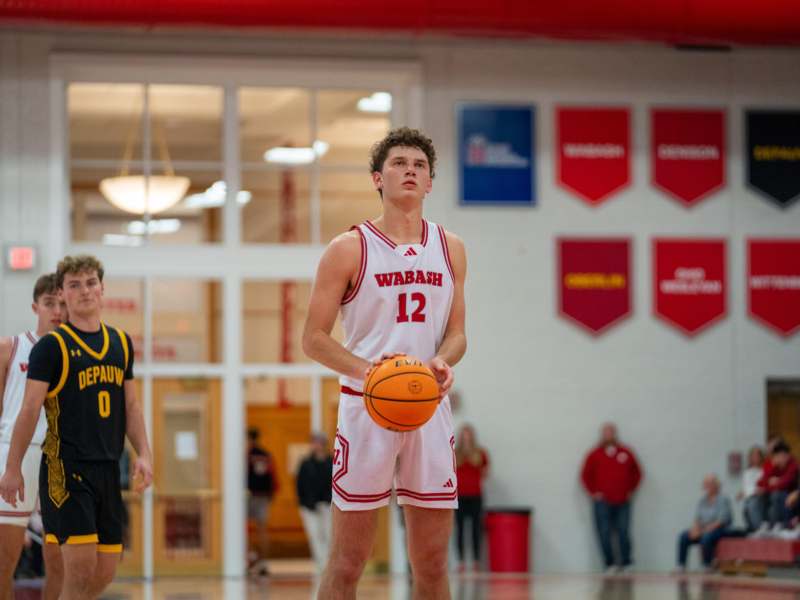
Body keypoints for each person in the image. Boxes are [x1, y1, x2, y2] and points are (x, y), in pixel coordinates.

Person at [302, 127, 467, 600]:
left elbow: (457, 333)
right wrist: (369, 372)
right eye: (399, 163)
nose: (410, 171)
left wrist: (440, 360)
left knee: (433, 562)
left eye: (419, 165)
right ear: (378, 178)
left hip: (428, 407)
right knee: (349, 561)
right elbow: (313, 339)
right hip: (366, 407)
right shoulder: (349, 247)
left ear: (430, 182)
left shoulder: (450, 247)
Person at [0, 255, 154, 600]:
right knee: (76, 566)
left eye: (90, 283)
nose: (84, 291)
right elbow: (28, 409)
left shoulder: (121, 343)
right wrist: (11, 466)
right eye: (74, 285)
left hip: (107, 468)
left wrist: (144, 452)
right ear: (62, 295)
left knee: (104, 570)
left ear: (102, 289)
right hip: (64, 467)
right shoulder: (49, 348)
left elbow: (131, 405)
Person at [0, 274, 65, 600]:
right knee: (4, 559)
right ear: (35, 307)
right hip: (15, 454)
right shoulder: (10, 348)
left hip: (60, 458)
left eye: (62, 304)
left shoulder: (75, 353)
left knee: (60, 561)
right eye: (49, 303)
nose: (56, 310)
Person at [580, 423, 642, 573]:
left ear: (615, 434)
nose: (608, 435)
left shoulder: (626, 452)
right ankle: (610, 564)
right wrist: (594, 492)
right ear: (602, 435)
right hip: (602, 502)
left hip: (623, 501)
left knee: (623, 531)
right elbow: (585, 476)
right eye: (605, 433)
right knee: (604, 532)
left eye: (611, 432)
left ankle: (626, 563)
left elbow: (637, 473)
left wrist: (630, 490)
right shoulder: (594, 454)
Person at [676, 474, 732, 572]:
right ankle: (681, 565)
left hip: (720, 529)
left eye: (709, 484)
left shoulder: (723, 499)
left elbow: (722, 520)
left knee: (706, 537)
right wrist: (695, 529)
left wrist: (703, 530)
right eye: (705, 484)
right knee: (684, 536)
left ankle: (707, 565)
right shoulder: (702, 501)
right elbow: (697, 519)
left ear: (716, 485)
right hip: (704, 529)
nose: (707, 487)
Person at [296, 432, 333, 572]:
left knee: (329, 534)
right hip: (309, 507)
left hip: (327, 505)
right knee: (315, 534)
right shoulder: (305, 464)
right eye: (313, 442)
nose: (315, 445)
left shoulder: (332, 462)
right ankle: (321, 564)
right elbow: (300, 485)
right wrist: (305, 502)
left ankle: (329, 565)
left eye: (318, 442)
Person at [454, 424, 489, 572]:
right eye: (464, 435)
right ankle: (461, 562)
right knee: (460, 529)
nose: (466, 438)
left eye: (468, 435)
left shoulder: (480, 453)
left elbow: (485, 472)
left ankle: (476, 561)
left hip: (475, 496)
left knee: (476, 529)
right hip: (459, 497)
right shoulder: (455, 453)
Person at [754, 441, 797, 534]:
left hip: (790, 495)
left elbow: (786, 483)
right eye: (777, 456)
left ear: (787, 456)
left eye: (781, 456)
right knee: (761, 495)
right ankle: (764, 524)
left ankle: (779, 524)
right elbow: (760, 483)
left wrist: (772, 484)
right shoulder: (773, 466)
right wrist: (772, 469)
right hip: (777, 493)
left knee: (776, 495)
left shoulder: (793, 465)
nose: (779, 459)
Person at [737, 446, 765, 532]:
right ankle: (751, 529)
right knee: (747, 505)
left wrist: (749, 491)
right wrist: (743, 492)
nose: (755, 458)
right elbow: (746, 486)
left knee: (752, 504)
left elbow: (761, 487)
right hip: (749, 496)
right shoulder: (747, 472)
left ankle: (759, 528)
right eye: (753, 455)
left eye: (757, 455)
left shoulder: (764, 470)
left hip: (761, 497)